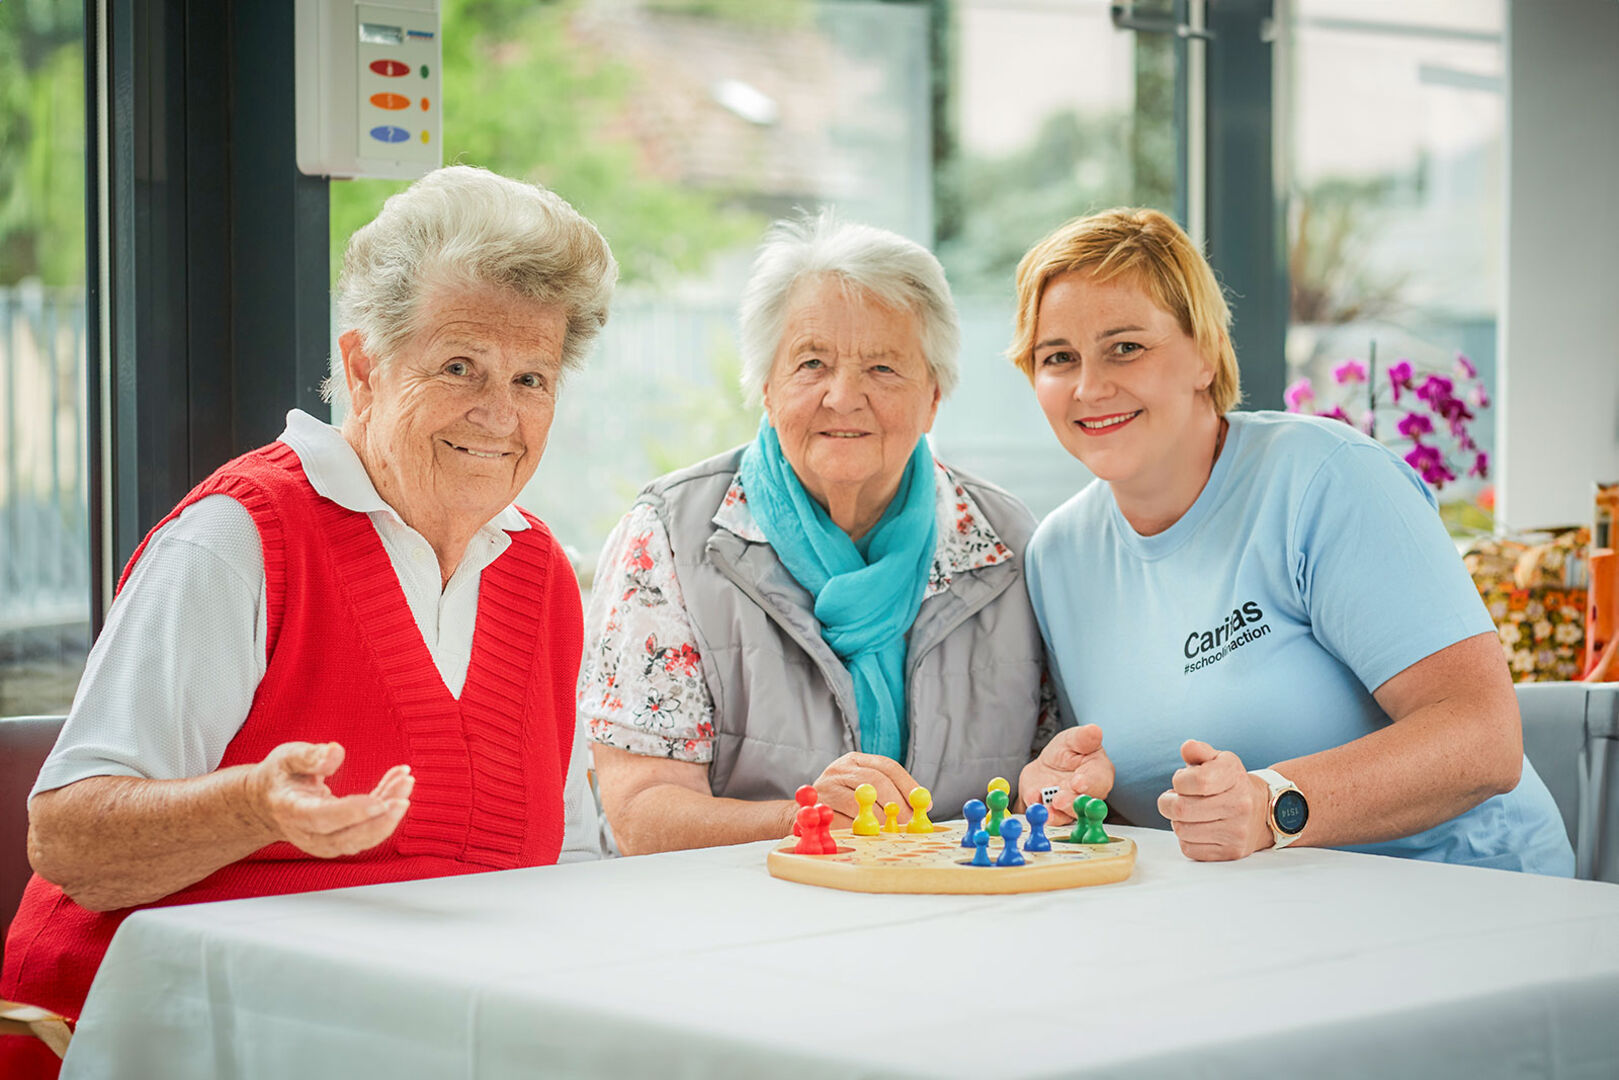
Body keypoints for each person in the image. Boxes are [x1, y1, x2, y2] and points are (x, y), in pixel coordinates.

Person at [1, 165, 617, 1074]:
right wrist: (252, 806)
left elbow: (570, 864)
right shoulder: (238, 541)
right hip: (164, 1035)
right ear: (364, 365)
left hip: (417, 1039)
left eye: (531, 377)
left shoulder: (540, 575)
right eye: (459, 366)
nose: (499, 413)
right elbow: (70, 843)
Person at [1009, 207, 1572, 874]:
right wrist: (1076, 798)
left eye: (1124, 346)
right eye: (1057, 358)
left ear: (1205, 353)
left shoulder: (1323, 479)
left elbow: (1482, 739)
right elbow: (1182, 812)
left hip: (1476, 900)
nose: (1089, 385)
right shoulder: (1058, 556)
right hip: (1267, 926)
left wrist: (1273, 804)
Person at [579, 213, 1057, 855]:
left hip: (957, 922)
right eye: (812, 363)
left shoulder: (1007, 544)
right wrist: (805, 822)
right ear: (769, 389)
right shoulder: (669, 537)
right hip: (741, 930)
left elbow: (1044, 784)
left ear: (933, 396)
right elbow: (639, 814)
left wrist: (1058, 788)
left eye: (884, 369)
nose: (843, 396)